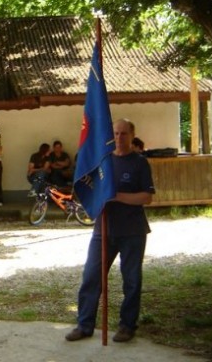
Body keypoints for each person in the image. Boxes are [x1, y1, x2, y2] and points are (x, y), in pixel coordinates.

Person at [65, 119, 155, 343]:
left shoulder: (140, 163)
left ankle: (127, 326)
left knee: (132, 280)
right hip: (103, 230)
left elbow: (147, 197)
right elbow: (91, 192)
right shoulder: (103, 162)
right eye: (116, 133)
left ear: (132, 135)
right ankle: (84, 325)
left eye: (124, 133)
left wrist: (117, 196)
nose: (119, 137)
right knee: (91, 277)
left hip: (132, 231)